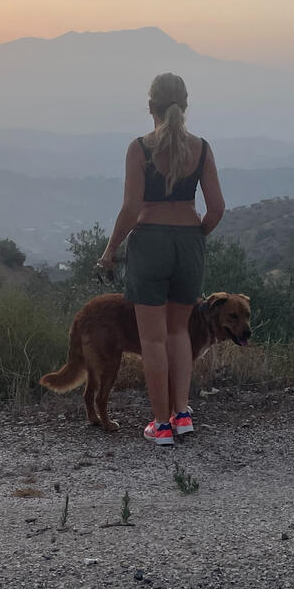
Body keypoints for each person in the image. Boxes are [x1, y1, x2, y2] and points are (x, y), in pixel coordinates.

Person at [97, 72, 225, 444]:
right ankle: (182, 414)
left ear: (149, 106)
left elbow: (130, 209)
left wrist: (109, 252)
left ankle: (160, 425)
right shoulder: (201, 149)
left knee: (152, 340)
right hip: (189, 242)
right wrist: (196, 233)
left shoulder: (139, 148)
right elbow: (216, 208)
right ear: (184, 106)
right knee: (178, 331)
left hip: (149, 241)